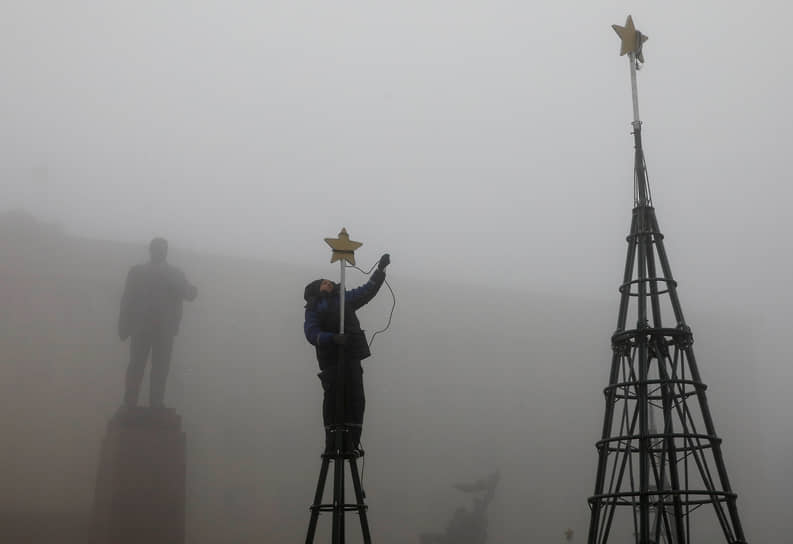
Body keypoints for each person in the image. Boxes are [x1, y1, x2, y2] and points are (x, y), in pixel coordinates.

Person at [303, 253, 390, 452]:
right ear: (317, 289)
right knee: (334, 397)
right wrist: (332, 338)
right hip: (331, 360)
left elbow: (366, 291)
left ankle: (352, 440)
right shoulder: (314, 309)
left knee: (355, 396)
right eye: (324, 283)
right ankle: (333, 440)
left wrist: (381, 271)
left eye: (328, 282)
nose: (328, 284)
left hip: (350, 355)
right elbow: (311, 333)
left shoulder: (345, 299)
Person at [118, 238, 197, 408]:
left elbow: (190, 295)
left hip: (159, 330)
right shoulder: (140, 272)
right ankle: (135, 403)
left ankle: (151, 403)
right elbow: (127, 299)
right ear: (152, 251)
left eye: (161, 249)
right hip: (147, 329)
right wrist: (123, 325)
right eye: (158, 249)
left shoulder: (170, 274)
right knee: (140, 367)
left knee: (155, 369)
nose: (160, 252)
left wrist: (124, 326)